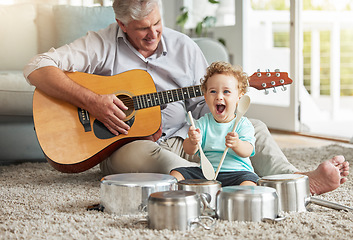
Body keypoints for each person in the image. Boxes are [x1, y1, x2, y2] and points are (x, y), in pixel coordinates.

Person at [24, 0, 348, 195]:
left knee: (256, 128)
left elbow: (207, 105)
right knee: (159, 158)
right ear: (121, 24)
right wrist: (92, 101)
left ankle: (294, 181)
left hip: (190, 138)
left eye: (157, 23)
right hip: (130, 147)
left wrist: (224, 109)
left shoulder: (184, 48)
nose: (153, 34)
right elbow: (37, 67)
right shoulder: (101, 43)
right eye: (141, 29)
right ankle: (236, 187)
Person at [171, 62, 259, 187]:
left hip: (238, 173)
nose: (219, 97)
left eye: (226, 92)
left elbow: (248, 151)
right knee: (176, 173)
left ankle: (238, 200)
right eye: (213, 91)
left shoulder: (243, 124)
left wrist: (237, 144)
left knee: (249, 183)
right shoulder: (202, 123)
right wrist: (192, 141)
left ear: (239, 97)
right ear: (206, 98)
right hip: (207, 174)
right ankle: (179, 200)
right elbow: (189, 150)